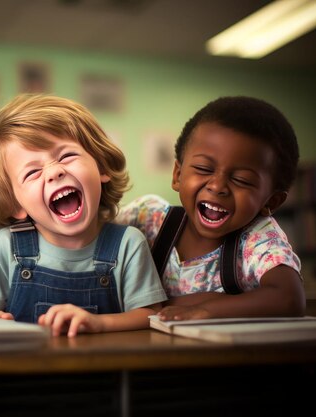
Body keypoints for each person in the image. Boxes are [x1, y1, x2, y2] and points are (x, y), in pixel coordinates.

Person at [0, 93, 167, 337]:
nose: (54, 172)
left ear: (102, 166)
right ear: (14, 203)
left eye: (67, 156)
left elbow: (150, 316)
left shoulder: (128, 244)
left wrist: (98, 323)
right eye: (32, 173)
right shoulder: (5, 247)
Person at [117, 96, 306, 321]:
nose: (217, 187)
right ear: (177, 174)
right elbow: (91, 234)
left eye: (243, 180)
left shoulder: (257, 239)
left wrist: (206, 310)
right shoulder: (147, 218)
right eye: (203, 168)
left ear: (271, 202)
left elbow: (289, 298)